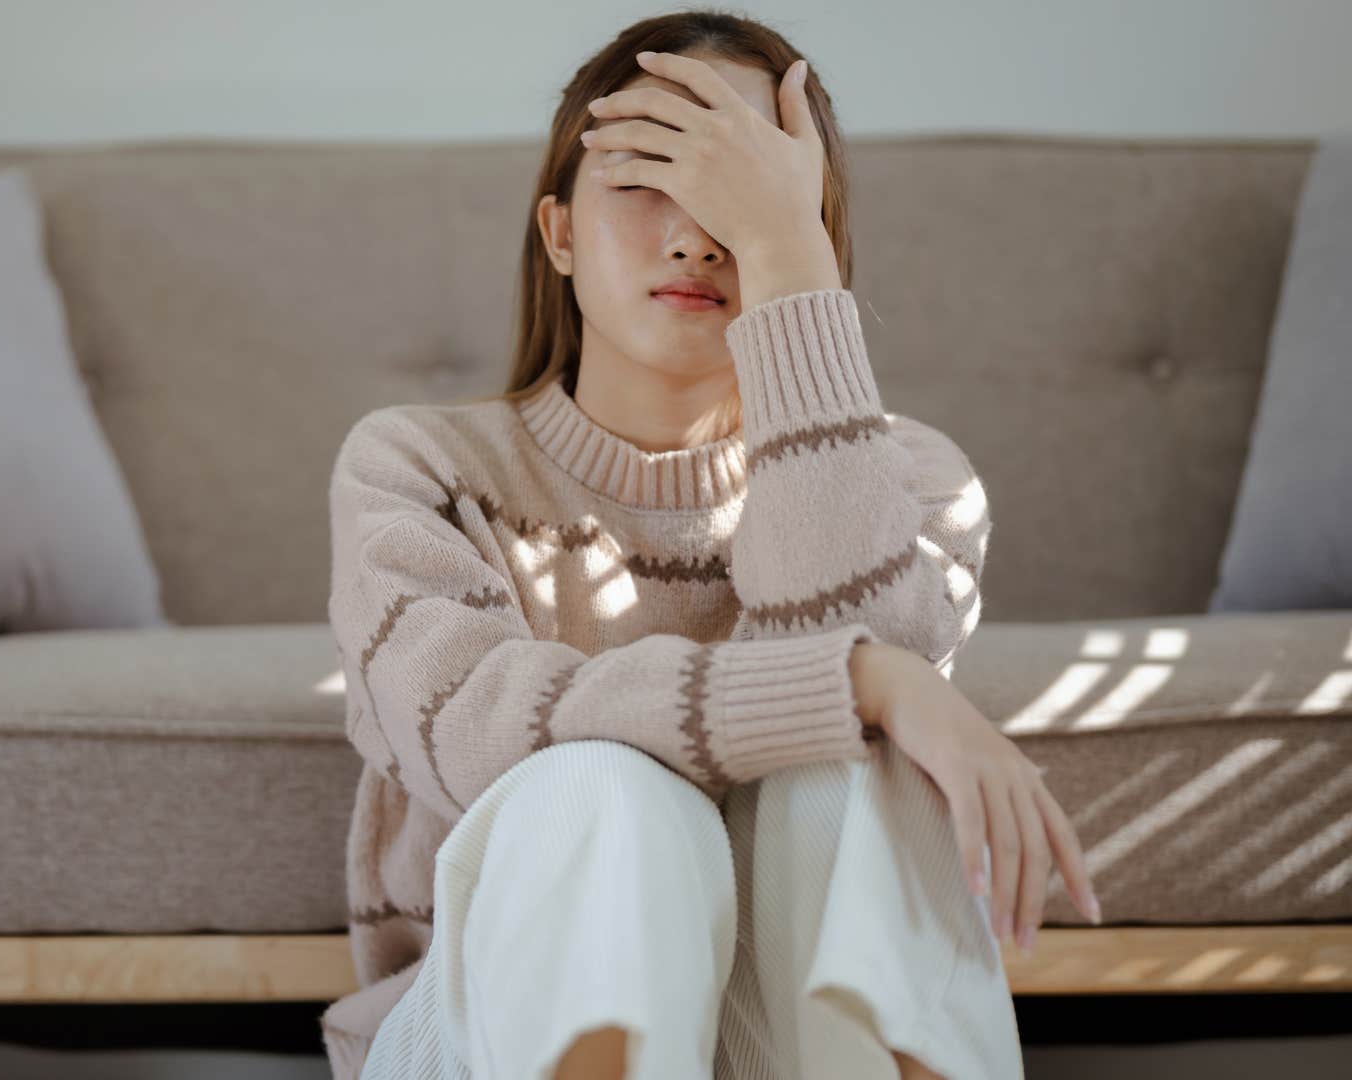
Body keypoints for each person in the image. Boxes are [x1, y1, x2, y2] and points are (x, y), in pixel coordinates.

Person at [318, 8, 1101, 1079]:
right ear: (557, 233)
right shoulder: (415, 466)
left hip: (792, 1037)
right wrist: (867, 680)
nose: (696, 234)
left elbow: (847, 682)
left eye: (747, 189)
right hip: (481, 1029)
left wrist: (787, 257)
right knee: (599, 787)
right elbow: (477, 733)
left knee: (853, 779)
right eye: (647, 177)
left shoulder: (917, 479)